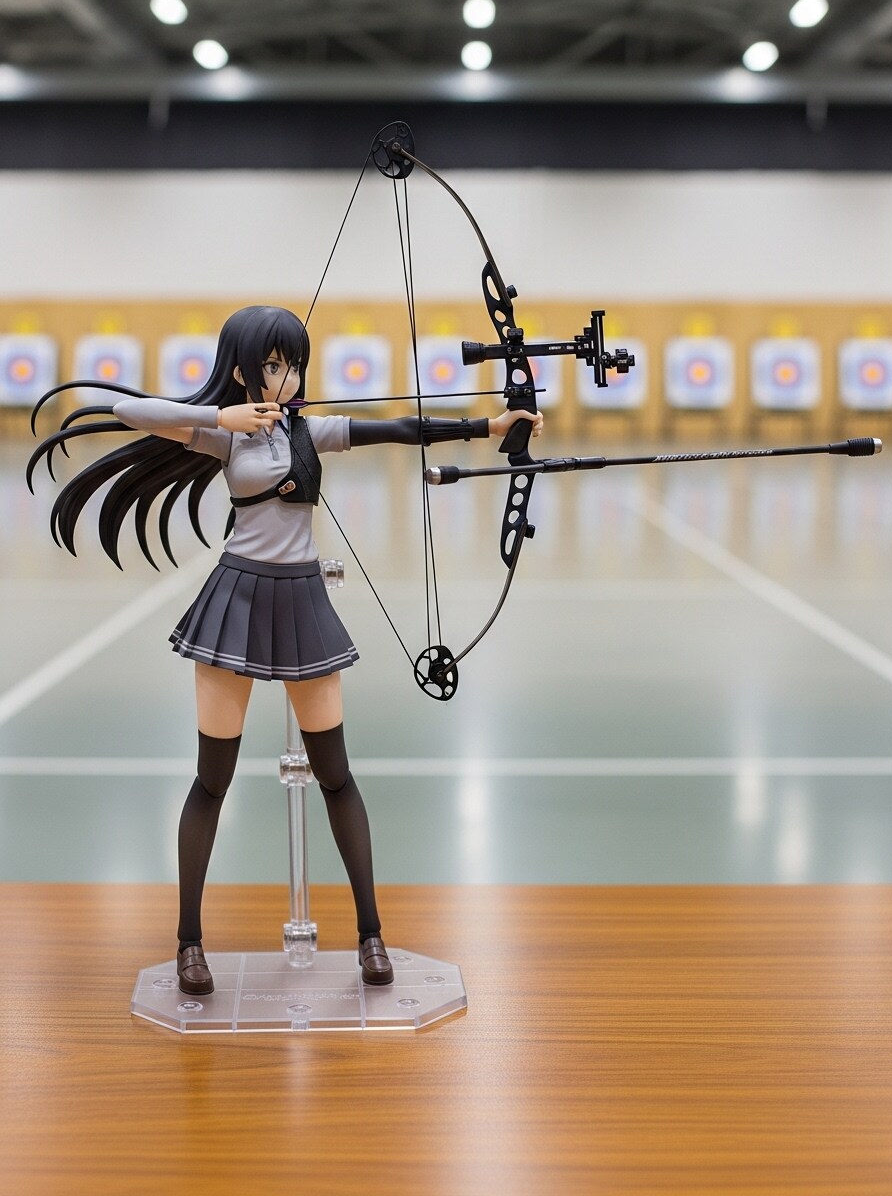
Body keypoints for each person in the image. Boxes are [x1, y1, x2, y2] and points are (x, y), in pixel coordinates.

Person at [31, 304, 542, 995]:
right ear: (244, 371)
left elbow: (400, 428)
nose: (288, 377)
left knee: (336, 774)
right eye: (273, 365)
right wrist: (220, 416)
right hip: (236, 601)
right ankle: (188, 943)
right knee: (212, 780)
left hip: (301, 600)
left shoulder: (311, 430)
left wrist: (489, 426)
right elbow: (128, 411)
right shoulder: (225, 436)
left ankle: (370, 934)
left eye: (294, 364)